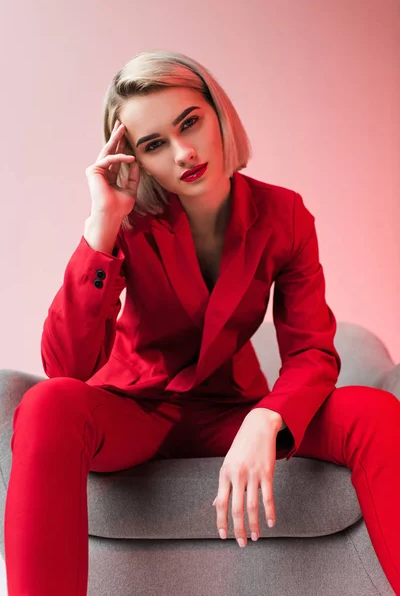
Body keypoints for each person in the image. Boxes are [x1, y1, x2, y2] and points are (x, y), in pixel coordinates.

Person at [4, 49, 400, 596]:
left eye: (189, 121)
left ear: (218, 112)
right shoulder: (129, 221)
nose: (183, 152)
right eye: (154, 144)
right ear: (134, 160)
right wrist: (103, 225)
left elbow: (312, 352)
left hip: (232, 411)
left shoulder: (284, 215)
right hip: (133, 413)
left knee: (376, 411)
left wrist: (266, 420)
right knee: (45, 404)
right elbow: (67, 366)